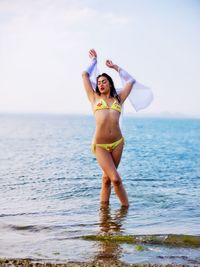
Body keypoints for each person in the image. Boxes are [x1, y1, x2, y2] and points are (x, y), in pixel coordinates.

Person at [82, 49, 136, 207]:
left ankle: (104, 217)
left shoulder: (118, 99)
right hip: (100, 146)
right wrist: (93, 62)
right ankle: (126, 210)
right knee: (116, 179)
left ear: (110, 84)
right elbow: (84, 75)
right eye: (98, 83)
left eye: (104, 81)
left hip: (118, 143)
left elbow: (131, 81)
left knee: (106, 179)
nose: (100, 84)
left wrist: (116, 67)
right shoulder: (93, 98)